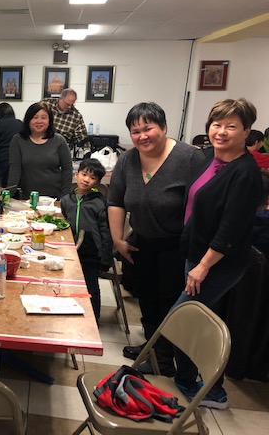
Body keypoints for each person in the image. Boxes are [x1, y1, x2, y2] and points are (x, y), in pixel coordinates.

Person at [172, 98, 262, 409]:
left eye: (231, 126)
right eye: (216, 124)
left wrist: (203, 266)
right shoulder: (209, 158)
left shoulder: (245, 173)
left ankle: (211, 390)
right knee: (191, 322)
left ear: (247, 131)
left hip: (216, 263)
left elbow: (231, 229)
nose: (221, 131)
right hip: (196, 254)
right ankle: (187, 380)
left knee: (182, 320)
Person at [107, 102, 204, 377]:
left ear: (164, 127)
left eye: (148, 128)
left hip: (177, 245)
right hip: (142, 242)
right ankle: (152, 347)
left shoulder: (189, 158)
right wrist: (118, 239)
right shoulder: (128, 159)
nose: (142, 136)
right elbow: (115, 201)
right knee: (147, 297)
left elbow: (204, 204)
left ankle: (164, 359)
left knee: (169, 302)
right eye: (135, 131)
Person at [60, 158, 113, 320]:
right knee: (68, 283)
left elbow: (106, 232)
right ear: (76, 175)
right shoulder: (66, 200)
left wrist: (105, 258)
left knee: (91, 287)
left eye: (92, 177)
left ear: (98, 182)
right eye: (84, 174)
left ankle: (94, 319)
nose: (86, 179)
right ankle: (71, 315)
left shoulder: (99, 203)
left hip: (91, 251)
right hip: (70, 251)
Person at [7, 101, 72, 199]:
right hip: (28, 198)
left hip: (55, 198)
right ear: (28, 120)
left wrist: (65, 197)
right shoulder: (18, 140)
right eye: (35, 117)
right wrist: (8, 196)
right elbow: (14, 170)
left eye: (43, 117)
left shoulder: (59, 140)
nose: (39, 121)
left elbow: (67, 169)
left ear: (49, 121)